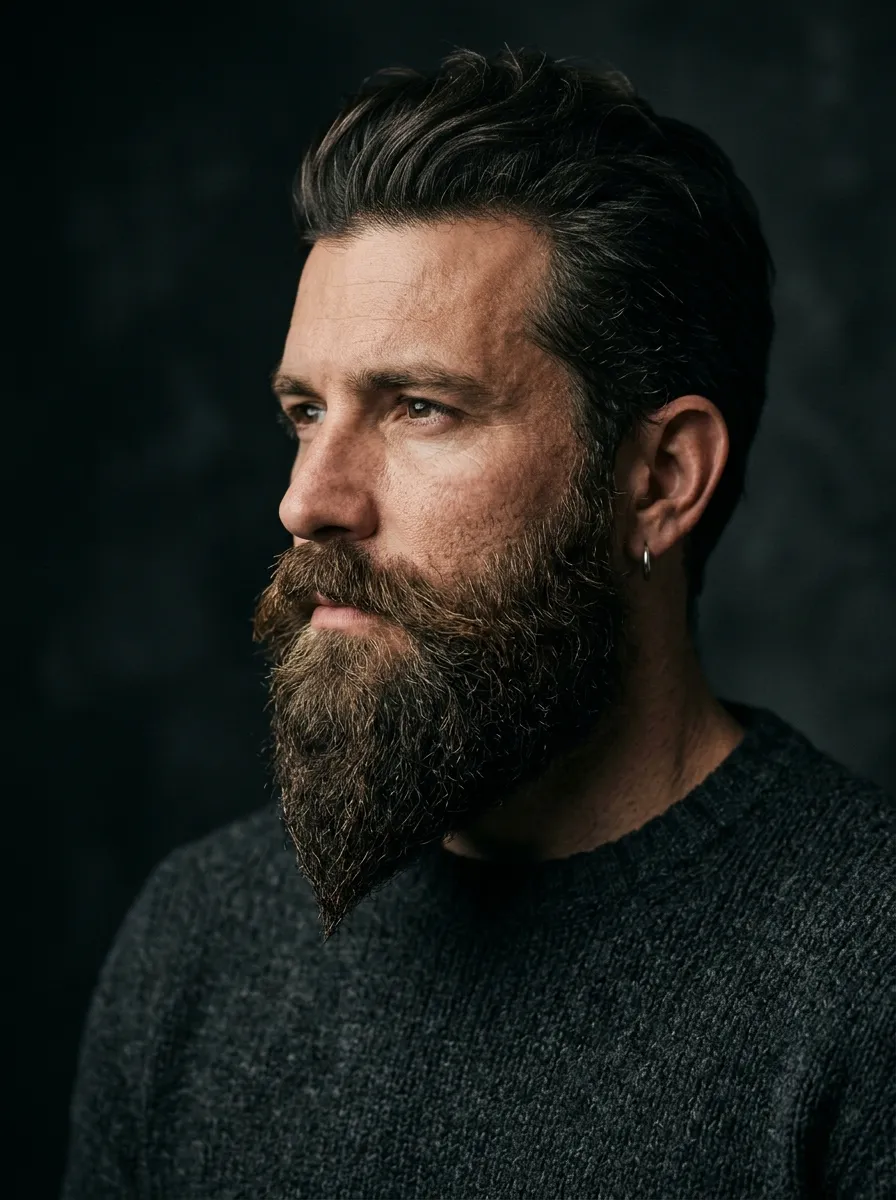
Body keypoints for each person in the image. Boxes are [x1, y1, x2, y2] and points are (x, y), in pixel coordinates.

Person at [62, 47, 894, 1199]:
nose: (308, 499)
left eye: (419, 407)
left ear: (658, 478)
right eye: (305, 411)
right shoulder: (198, 942)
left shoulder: (863, 973)